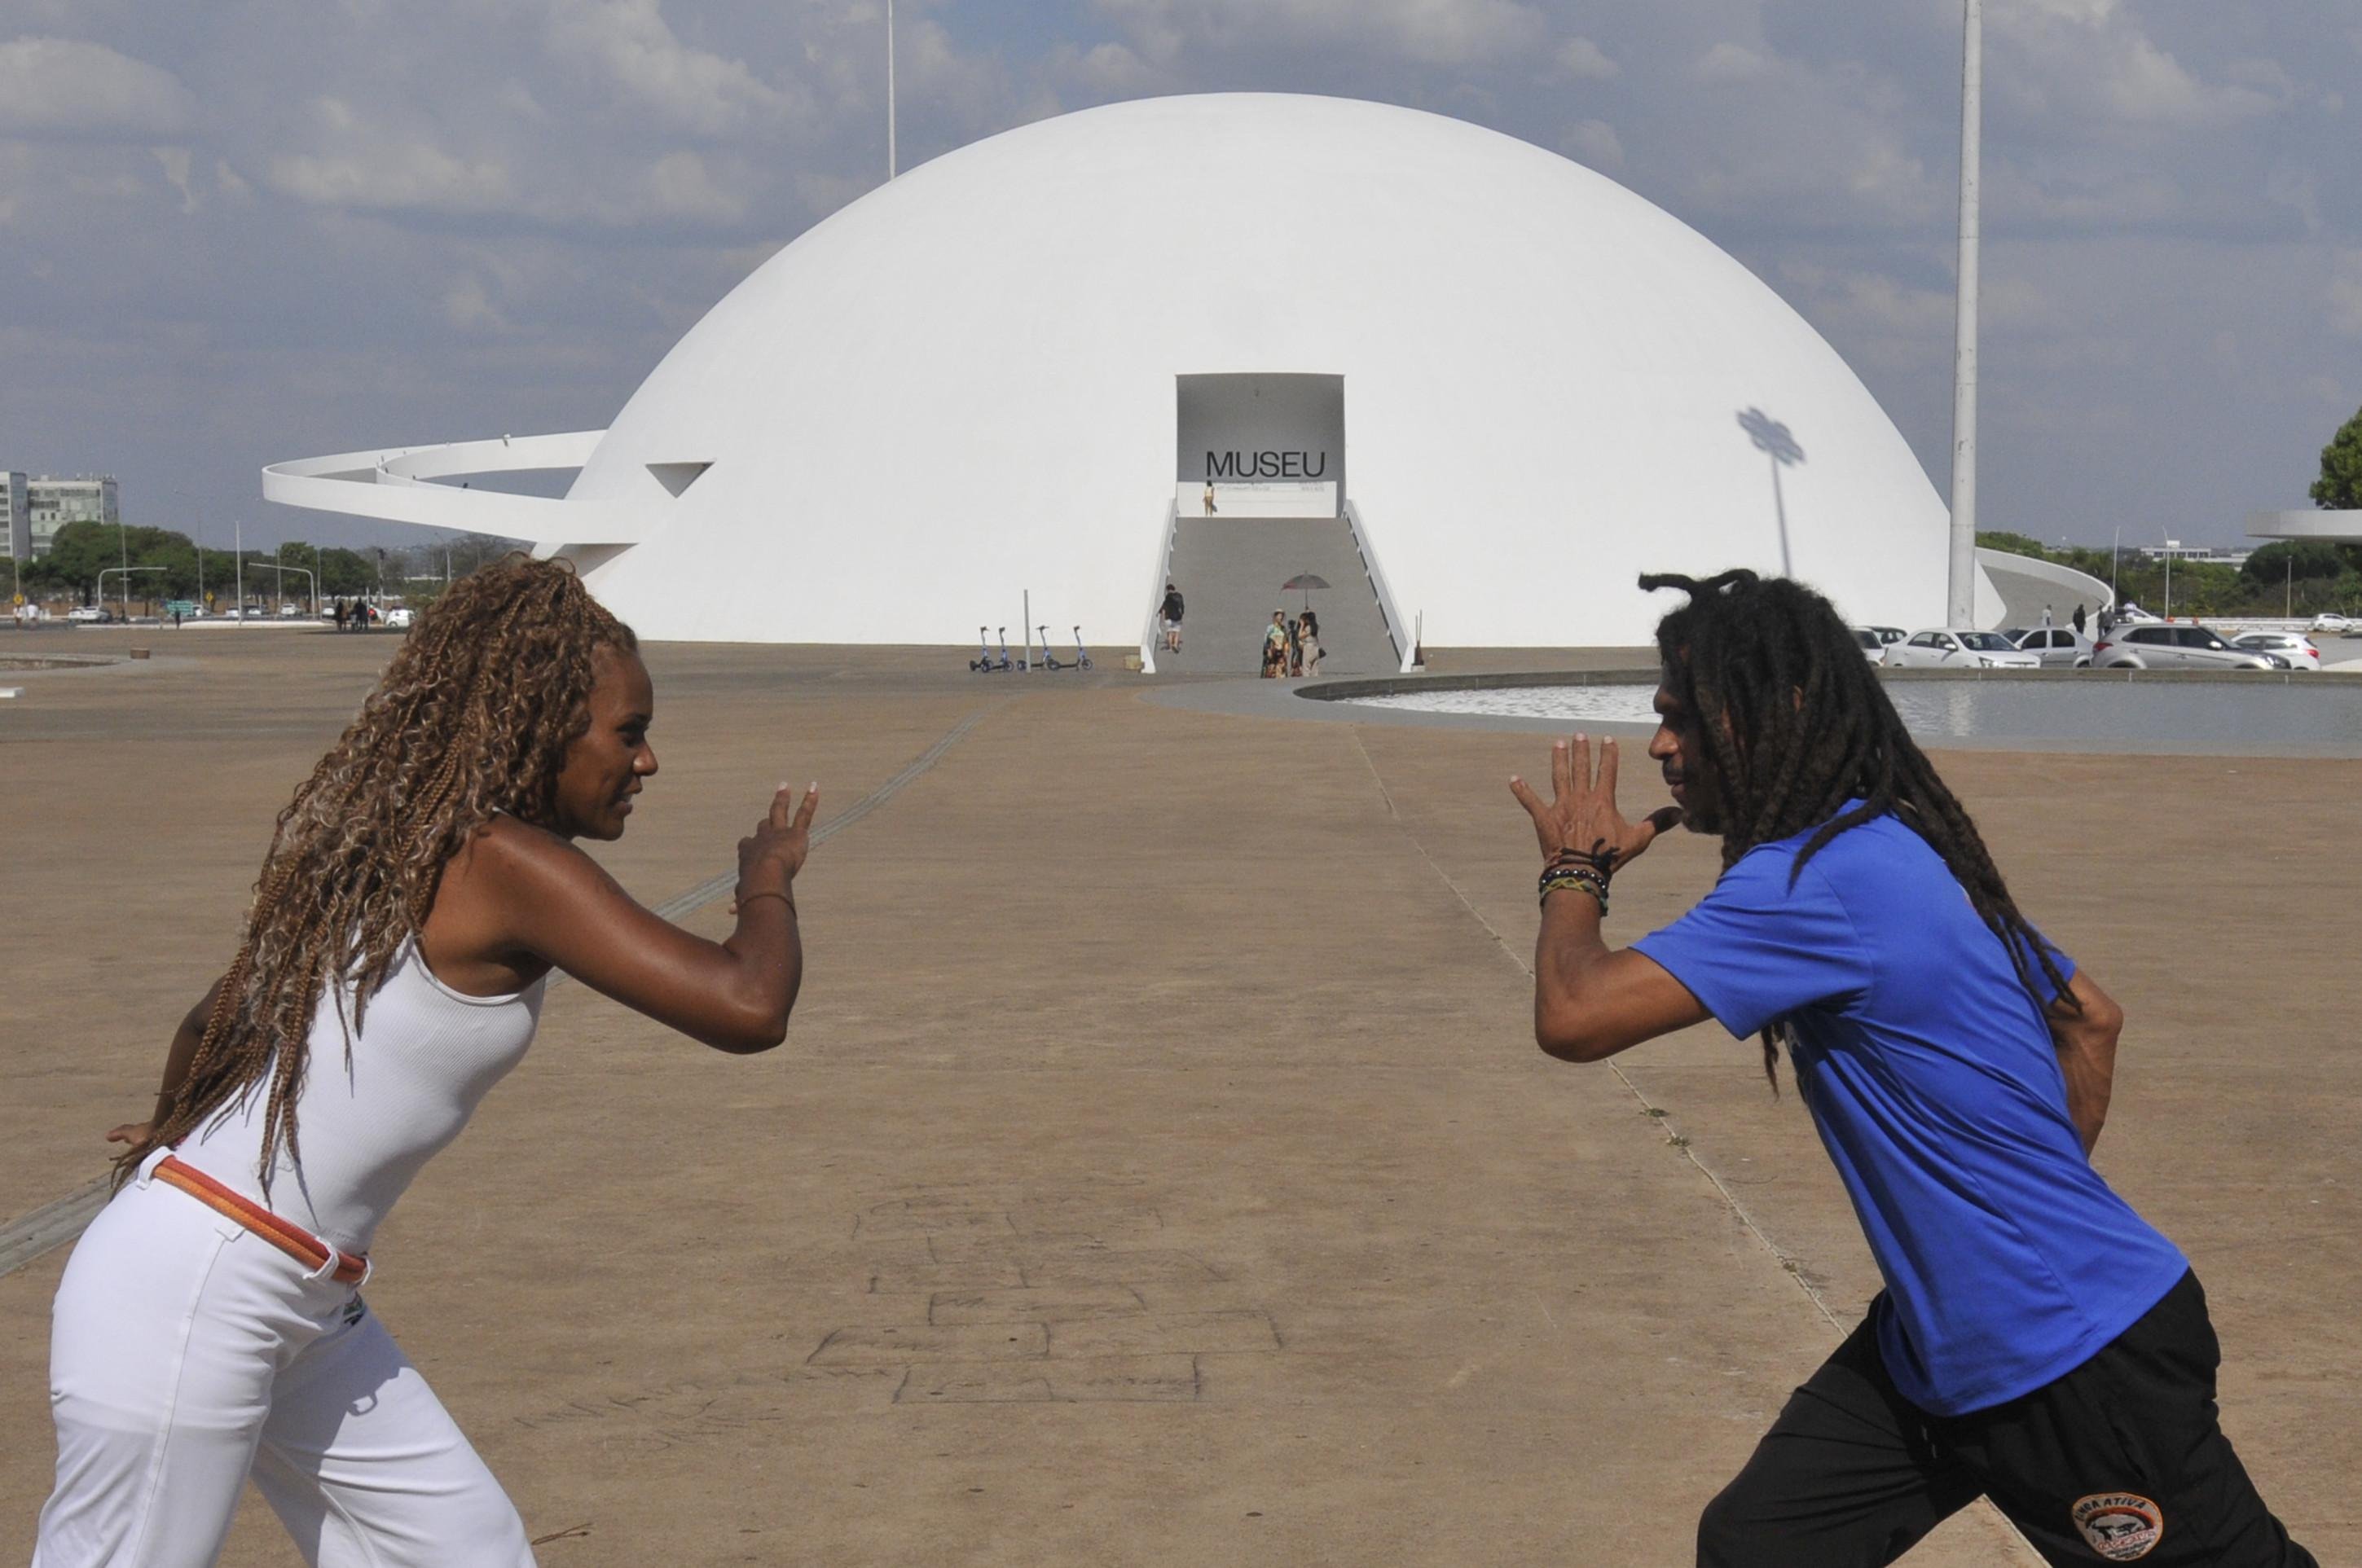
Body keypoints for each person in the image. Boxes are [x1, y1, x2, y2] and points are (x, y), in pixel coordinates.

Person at [1505, 569, 2314, 1568]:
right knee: (1760, 1544)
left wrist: (1574, 870)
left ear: (1776, 712)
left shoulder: (1807, 878)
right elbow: (2089, 1018)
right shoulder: (1890, 843)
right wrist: (2006, 1216)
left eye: (1685, 718)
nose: (1660, 745)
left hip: (2070, 1354)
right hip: (1942, 1346)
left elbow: (1574, 1014)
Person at [34, 556, 823, 1566]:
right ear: (545, 723)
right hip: (204, 1282)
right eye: (628, 732)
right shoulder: (505, 859)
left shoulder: (410, 841)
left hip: (294, 1292)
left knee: (467, 1550)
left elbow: (211, 1016)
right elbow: (747, 1006)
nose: (647, 760)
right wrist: (766, 879)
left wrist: (170, 1135)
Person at [1160, 581, 1185, 653]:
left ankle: (1170, 648)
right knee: (1177, 633)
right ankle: (1175, 645)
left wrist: (1163, 619)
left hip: (1169, 618)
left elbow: (1164, 609)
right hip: (1178, 618)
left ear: (1167, 590)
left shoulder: (1168, 598)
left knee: (1170, 633)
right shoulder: (1179, 596)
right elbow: (1182, 607)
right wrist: (1182, 615)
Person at [1261, 610, 1287, 678]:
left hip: (1281, 651)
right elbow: (1266, 640)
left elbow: (1286, 640)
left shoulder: (1283, 628)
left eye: (1282, 616)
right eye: (1279, 616)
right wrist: (1268, 650)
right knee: (1271, 669)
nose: (1281, 618)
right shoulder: (1270, 628)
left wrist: (1286, 650)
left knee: (1281, 668)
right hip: (1272, 650)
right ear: (1275, 617)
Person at [1299, 609, 1322, 678]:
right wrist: (1308, 612)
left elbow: (1300, 636)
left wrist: (1302, 625)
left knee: (1306, 668)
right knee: (1315, 669)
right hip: (1316, 648)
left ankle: (1306, 682)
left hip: (1309, 648)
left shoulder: (1308, 628)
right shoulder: (1317, 627)